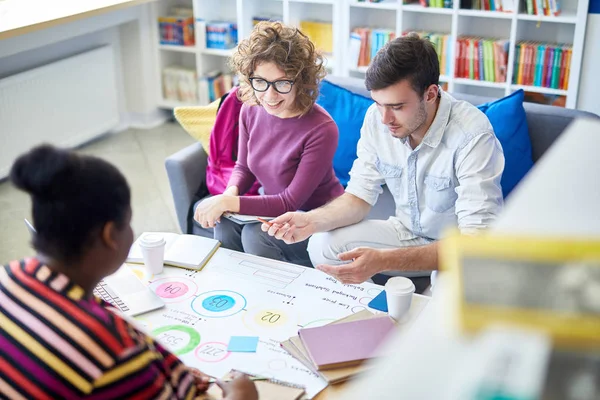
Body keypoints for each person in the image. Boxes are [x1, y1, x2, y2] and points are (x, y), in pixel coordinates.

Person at [0, 145, 257, 400]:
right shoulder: (113, 349)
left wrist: (162, 372)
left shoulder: (8, 276)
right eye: (128, 223)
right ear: (110, 235)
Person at [262, 33, 505, 286]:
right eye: (379, 104)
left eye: (397, 107)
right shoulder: (376, 120)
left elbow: (475, 241)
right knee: (321, 245)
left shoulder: (472, 134)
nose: (385, 118)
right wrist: (310, 220)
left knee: (451, 287)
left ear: (430, 94)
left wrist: (385, 260)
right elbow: (358, 196)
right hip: (405, 233)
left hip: (459, 247)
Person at [194, 21, 344, 267]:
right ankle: (240, 293)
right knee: (225, 225)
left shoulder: (322, 128)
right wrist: (229, 194)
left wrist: (227, 202)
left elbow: (289, 202)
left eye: (283, 83)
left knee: (256, 237)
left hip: (316, 219)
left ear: (301, 80)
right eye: (261, 82)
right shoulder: (250, 110)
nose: (270, 96)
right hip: (273, 213)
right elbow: (244, 167)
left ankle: (280, 301)